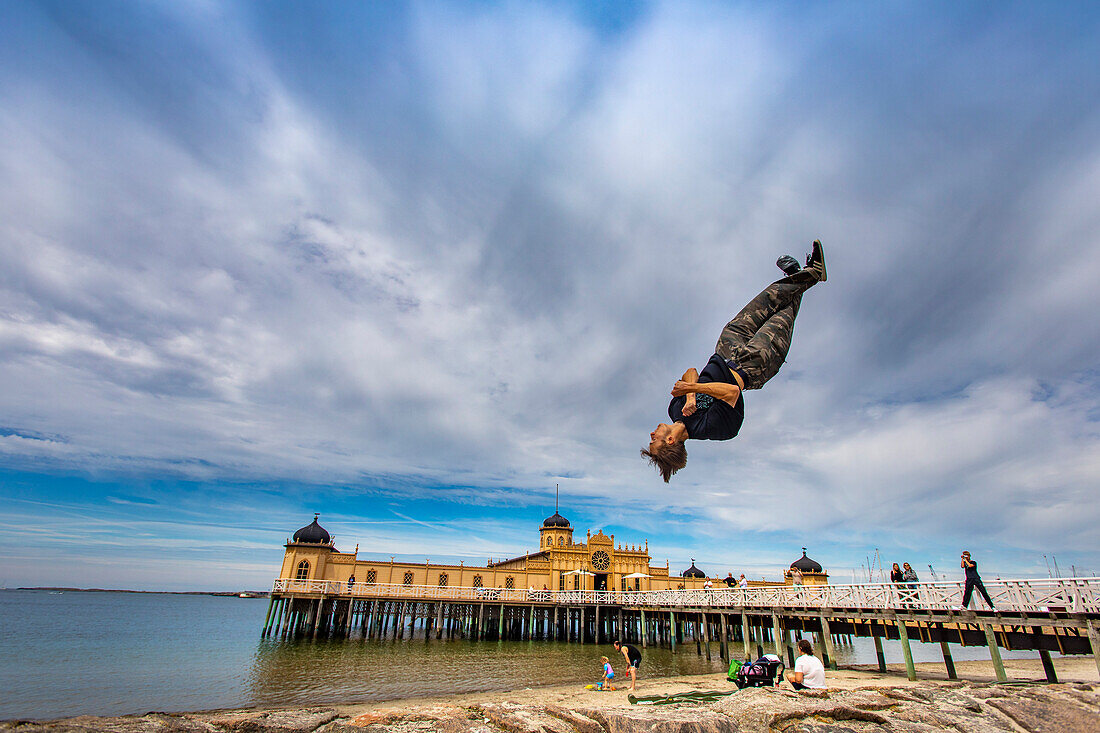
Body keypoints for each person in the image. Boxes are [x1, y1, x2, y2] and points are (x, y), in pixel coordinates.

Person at [642, 242, 827, 482]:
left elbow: (690, 371)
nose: (651, 434)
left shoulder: (674, 409)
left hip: (726, 348)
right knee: (783, 315)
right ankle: (811, 272)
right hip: (755, 363)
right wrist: (692, 388)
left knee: (767, 300)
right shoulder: (714, 430)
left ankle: (798, 276)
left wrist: (689, 395)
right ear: (670, 440)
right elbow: (730, 393)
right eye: (653, 440)